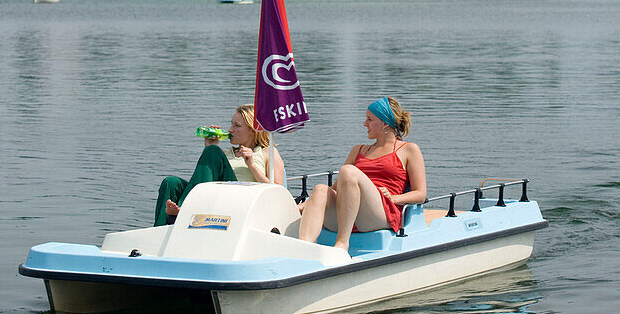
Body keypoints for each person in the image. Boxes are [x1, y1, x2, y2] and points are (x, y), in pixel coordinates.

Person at [299, 96, 426, 251]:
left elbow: (420, 194)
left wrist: (394, 198)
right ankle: (304, 249)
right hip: (348, 213)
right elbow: (335, 189)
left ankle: (342, 245)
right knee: (320, 189)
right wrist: (304, 205)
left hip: (380, 213)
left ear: (385, 123)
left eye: (369, 120)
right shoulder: (358, 150)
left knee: (348, 171)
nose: (365, 124)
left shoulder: (408, 149)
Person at [154, 104, 285, 226]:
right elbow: (206, 177)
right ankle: (158, 231)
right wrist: (209, 147)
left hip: (241, 200)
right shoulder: (222, 153)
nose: (230, 130)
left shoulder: (268, 152)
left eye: (237, 125)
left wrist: (252, 165)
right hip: (218, 196)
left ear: (253, 130)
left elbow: (278, 193)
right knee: (171, 182)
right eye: (231, 124)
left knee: (213, 151)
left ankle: (185, 209)